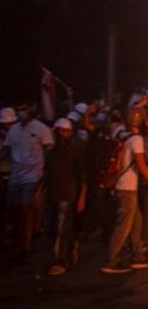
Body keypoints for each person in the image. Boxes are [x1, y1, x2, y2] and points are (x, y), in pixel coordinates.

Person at [102, 107, 148, 273]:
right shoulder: (136, 140)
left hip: (124, 186)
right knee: (124, 225)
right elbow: (141, 164)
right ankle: (112, 261)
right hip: (127, 187)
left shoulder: (123, 135)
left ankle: (138, 257)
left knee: (137, 222)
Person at [1, 105, 53, 265]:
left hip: (33, 175)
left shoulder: (41, 128)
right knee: (15, 209)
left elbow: (48, 148)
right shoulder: (14, 130)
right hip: (16, 175)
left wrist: (44, 173)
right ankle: (20, 241)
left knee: (25, 208)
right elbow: (7, 150)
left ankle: (26, 245)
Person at [44, 118, 86, 276]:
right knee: (53, 228)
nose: (63, 134)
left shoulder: (75, 151)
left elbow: (82, 176)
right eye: (60, 131)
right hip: (53, 194)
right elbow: (47, 175)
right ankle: (71, 246)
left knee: (61, 228)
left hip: (68, 195)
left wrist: (81, 196)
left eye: (66, 131)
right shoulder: (51, 153)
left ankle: (59, 261)